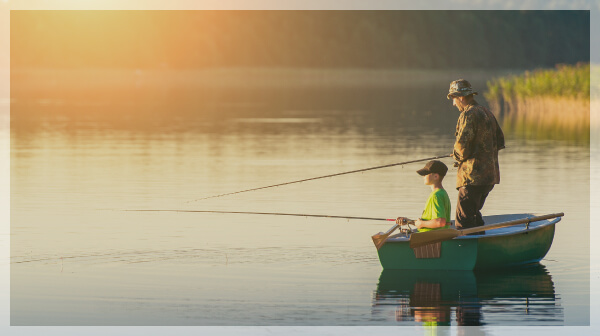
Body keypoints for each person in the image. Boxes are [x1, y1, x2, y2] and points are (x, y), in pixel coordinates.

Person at [447, 79, 505, 232]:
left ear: (461, 97)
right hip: (489, 178)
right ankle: (482, 246)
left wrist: (455, 155)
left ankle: (467, 253)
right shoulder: (487, 112)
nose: (454, 104)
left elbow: (461, 148)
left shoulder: (468, 114)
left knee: (463, 223)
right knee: (473, 216)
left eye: (453, 99)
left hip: (471, 178)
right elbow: (500, 142)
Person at [397, 160, 451, 232]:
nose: (423, 176)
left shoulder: (436, 196)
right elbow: (430, 222)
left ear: (436, 176)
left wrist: (421, 223)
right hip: (434, 238)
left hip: (432, 241)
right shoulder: (442, 193)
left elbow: (440, 222)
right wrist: (409, 221)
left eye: (426, 174)